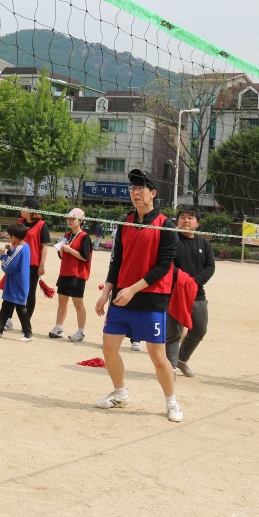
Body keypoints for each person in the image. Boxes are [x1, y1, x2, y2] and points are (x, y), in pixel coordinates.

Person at [93, 169, 183, 422]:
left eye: (140, 188)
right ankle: (120, 393)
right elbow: (116, 261)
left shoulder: (166, 225)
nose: (135, 193)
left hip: (150, 298)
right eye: (132, 188)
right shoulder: (126, 222)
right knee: (109, 348)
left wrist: (133, 289)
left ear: (152, 193)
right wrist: (106, 293)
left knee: (157, 356)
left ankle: (171, 402)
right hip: (121, 297)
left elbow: (164, 267)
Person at [166, 207, 217, 377]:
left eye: (190, 217)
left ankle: (182, 359)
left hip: (197, 292)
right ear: (177, 221)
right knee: (174, 332)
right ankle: (171, 366)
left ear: (197, 223)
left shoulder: (204, 243)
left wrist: (194, 282)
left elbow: (210, 266)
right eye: (182, 217)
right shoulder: (171, 240)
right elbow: (166, 263)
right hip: (175, 292)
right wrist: (183, 280)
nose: (186, 220)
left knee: (200, 329)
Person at [50, 208, 93, 342]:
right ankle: (58, 327)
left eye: (73, 218)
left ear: (80, 220)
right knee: (62, 301)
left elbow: (85, 257)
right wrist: (62, 248)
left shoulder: (85, 237)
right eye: (68, 218)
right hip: (65, 272)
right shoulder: (67, 235)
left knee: (78, 303)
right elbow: (62, 256)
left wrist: (69, 249)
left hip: (77, 274)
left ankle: (81, 331)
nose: (70, 221)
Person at [0, 222, 33, 340]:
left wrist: (2, 255)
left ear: (14, 237)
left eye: (9, 235)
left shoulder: (19, 249)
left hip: (17, 284)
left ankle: (28, 333)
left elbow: (8, 266)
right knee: (6, 305)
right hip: (18, 282)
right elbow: (15, 258)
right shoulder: (25, 246)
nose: (9, 237)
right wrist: (10, 251)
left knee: (20, 308)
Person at [18, 198, 50, 328]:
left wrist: (42, 265)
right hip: (18, 262)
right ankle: (8, 319)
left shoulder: (42, 225)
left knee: (30, 293)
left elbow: (44, 246)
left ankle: (26, 322)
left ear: (31, 210)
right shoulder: (20, 222)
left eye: (24, 207)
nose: (21, 209)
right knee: (15, 290)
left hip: (32, 264)